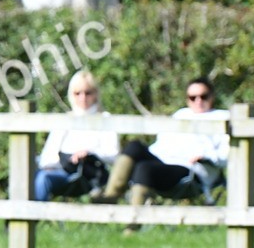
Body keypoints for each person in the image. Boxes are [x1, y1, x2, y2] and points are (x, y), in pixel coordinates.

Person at [94, 77, 230, 230]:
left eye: (203, 96)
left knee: (145, 168)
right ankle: (110, 198)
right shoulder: (181, 115)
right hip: (164, 162)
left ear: (212, 97)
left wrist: (206, 157)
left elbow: (227, 155)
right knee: (134, 146)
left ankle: (132, 225)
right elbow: (161, 144)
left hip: (191, 169)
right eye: (193, 97)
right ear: (187, 99)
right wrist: (143, 154)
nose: (198, 101)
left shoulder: (222, 118)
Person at [34, 70, 119, 201]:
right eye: (77, 93)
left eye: (87, 92)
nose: (83, 98)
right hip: (61, 171)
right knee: (28, 175)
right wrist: (68, 160)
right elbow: (46, 159)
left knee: (43, 179)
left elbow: (113, 156)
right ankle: (19, 217)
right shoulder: (65, 120)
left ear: (95, 94)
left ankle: (27, 218)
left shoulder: (104, 119)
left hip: (86, 176)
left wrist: (89, 153)